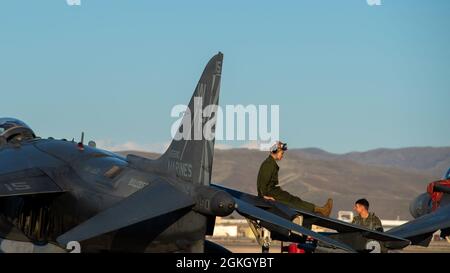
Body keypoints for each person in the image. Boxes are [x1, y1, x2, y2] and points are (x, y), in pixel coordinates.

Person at [256, 141, 333, 217]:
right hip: (272, 193)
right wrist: (263, 196)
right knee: (294, 203)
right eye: (281, 153)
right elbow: (262, 182)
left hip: (274, 192)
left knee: (295, 200)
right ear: (276, 151)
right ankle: (320, 211)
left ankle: (319, 210)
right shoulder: (268, 164)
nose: (282, 155)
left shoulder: (270, 163)